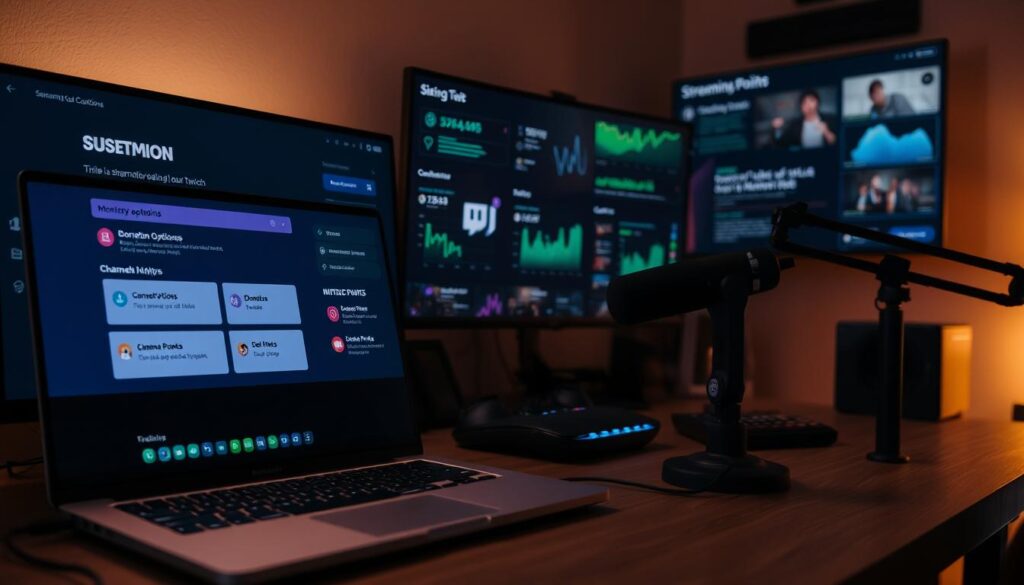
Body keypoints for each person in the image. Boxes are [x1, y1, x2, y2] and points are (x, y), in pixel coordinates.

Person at [771, 89, 837, 149]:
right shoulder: (795, 125)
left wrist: (826, 132)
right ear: (801, 107)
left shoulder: (830, 119)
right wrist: (777, 129)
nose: (808, 105)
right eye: (805, 102)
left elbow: (838, 143)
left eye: (811, 100)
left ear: (818, 102)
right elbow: (781, 143)